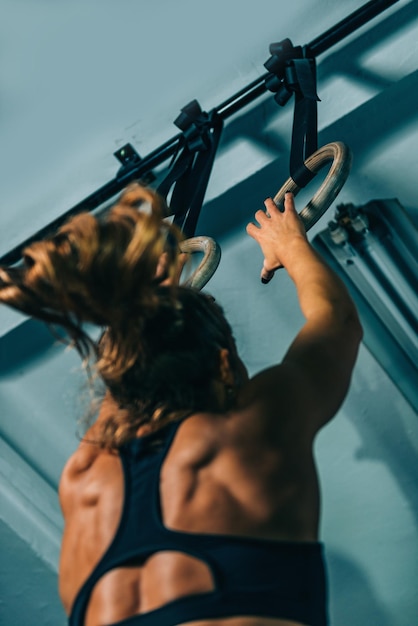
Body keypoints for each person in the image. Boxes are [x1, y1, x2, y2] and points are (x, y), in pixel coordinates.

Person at [0, 184, 363, 626]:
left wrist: (146, 308)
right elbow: (336, 320)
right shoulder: (249, 432)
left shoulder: (83, 479)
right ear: (225, 366)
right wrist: (289, 243)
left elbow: (131, 377)